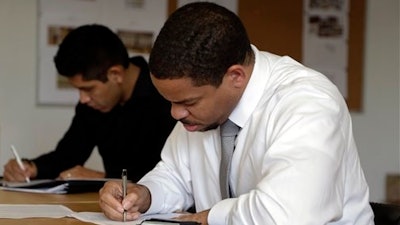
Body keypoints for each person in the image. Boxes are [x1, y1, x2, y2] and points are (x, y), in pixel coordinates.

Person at [98, 2, 374, 225]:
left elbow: (287, 215)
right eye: (171, 101)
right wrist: (144, 194)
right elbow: (175, 175)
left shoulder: (308, 103)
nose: (175, 114)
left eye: (188, 102)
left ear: (235, 76)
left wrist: (211, 216)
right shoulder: (200, 114)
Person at [3, 24, 176, 182]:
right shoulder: (92, 105)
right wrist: (31, 168)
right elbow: (68, 155)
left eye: (88, 89)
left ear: (115, 74)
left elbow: (174, 177)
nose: (83, 99)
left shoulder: (167, 98)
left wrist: (103, 178)